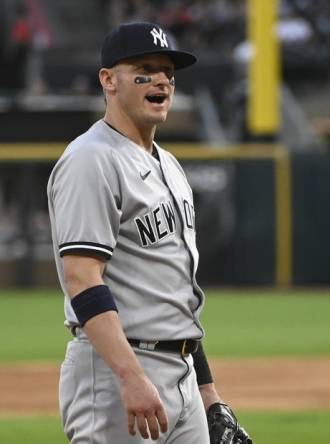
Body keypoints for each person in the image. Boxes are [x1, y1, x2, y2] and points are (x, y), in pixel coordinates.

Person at [47, 22, 251, 443]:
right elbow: (82, 279)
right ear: (109, 80)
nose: (161, 80)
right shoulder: (91, 159)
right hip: (116, 373)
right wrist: (131, 375)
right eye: (144, 69)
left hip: (182, 372)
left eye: (168, 72)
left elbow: (174, 295)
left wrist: (208, 391)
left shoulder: (171, 166)